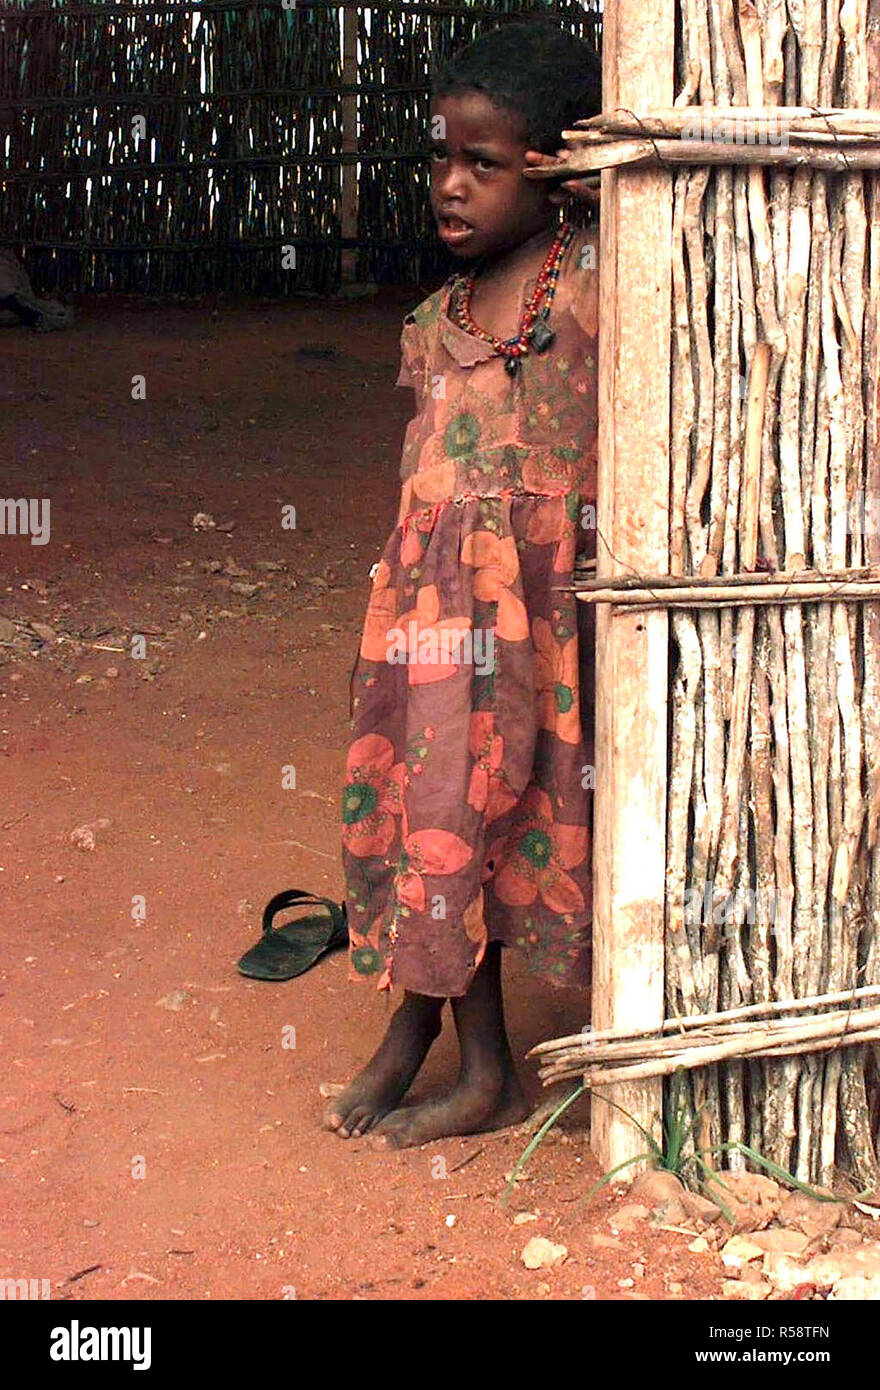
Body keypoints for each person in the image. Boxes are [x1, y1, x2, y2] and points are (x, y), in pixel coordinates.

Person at [328, 18, 602, 1148]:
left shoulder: (595, 293)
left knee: (516, 823)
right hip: (434, 636)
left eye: (482, 165)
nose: (450, 185)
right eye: (441, 158)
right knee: (435, 820)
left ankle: (449, 1049)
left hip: (543, 634)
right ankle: (455, 1047)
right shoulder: (428, 325)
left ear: (553, 166)